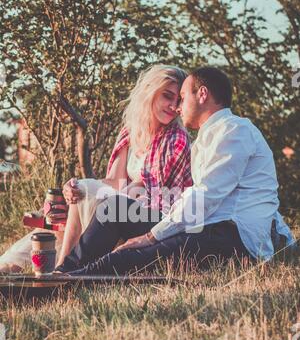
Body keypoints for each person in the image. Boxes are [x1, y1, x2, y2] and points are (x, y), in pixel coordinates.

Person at [56, 66, 295, 276]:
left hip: (230, 238)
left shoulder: (235, 131)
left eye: (182, 97)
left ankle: (67, 284)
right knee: (114, 209)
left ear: (202, 94)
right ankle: (62, 273)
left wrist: (150, 236)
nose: (178, 107)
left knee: (130, 256)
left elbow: (205, 196)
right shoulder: (205, 140)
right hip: (203, 227)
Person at [0, 65, 192, 274]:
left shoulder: (176, 139)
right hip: (123, 205)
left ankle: (60, 267)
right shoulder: (131, 132)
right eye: (167, 96)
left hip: (152, 215)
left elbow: (153, 192)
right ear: (150, 91)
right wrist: (74, 190)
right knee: (80, 194)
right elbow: (113, 181)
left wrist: (89, 194)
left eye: (178, 101)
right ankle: (14, 264)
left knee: (89, 196)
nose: (173, 106)